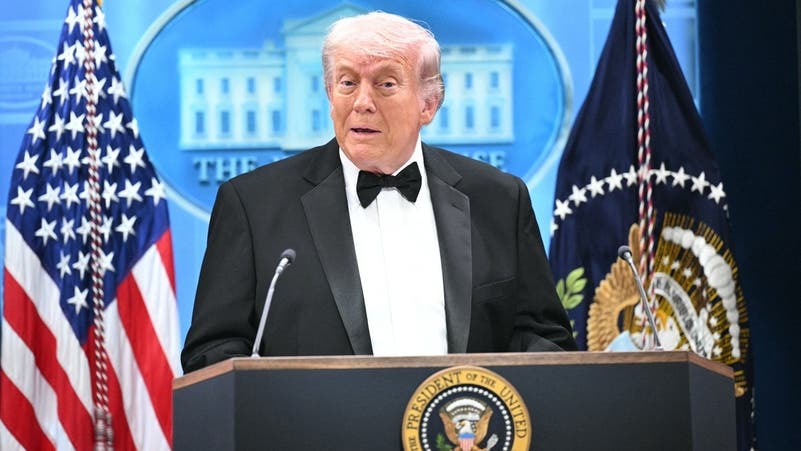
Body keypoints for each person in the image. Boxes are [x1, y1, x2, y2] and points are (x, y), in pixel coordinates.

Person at [181, 11, 576, 373]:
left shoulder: (499, 199)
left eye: (386, 84)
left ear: (428, 104)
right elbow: (212, 352)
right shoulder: (253, 205)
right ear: (330, 94)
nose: (362, 103)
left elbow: (543, 339)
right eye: (348, 83)